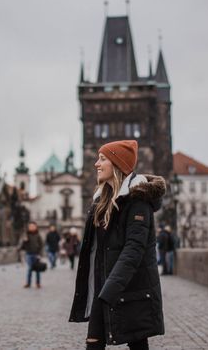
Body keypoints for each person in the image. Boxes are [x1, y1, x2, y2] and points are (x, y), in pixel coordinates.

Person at [69, 140, 166, 350]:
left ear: (117, 164)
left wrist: (108, 290)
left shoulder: (138, 202)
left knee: (138, 344)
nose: (96, 164)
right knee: (93, 344)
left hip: (132, 291)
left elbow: (134, 250)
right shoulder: (101, 201)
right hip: (106, 290)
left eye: (102, 159)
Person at [20, 221, 43, 288]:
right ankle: (28, 283)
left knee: (37, 269)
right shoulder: (26, 235)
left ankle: (38, 283)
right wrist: (25, 241)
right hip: (29, 254)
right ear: (28, 227)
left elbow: (41, 245)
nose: (32, 227)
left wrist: (40, 254)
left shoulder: (38, 235)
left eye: (33, 226)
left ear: (36, 227)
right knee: (30, 268)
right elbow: (22, 246)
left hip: (36, 254)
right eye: (30, 226)